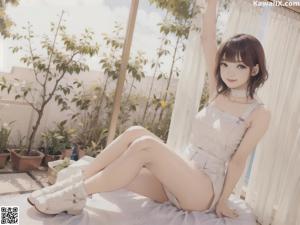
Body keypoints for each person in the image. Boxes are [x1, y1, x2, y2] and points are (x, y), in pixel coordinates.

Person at [27, 0, 271, 219]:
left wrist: (224, 201)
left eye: (239, 66)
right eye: (226, 64)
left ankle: (73, 194)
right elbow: (208, 39)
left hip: (203, 190)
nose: (229, 72)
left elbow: (238, 162)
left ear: (255, 70)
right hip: (181, 173)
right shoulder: (218, 89)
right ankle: (76, 180)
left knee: (147, 145)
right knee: (134, 133)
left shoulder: (258, 113)